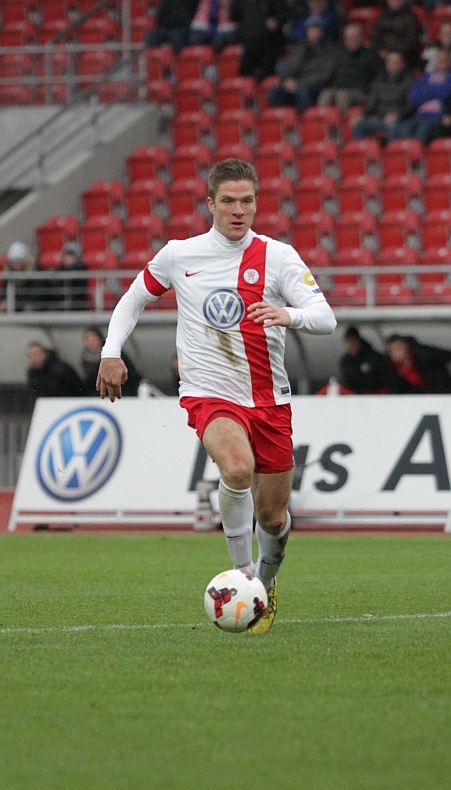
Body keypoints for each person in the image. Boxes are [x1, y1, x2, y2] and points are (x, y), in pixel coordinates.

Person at [97, 158, 336, 635]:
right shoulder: (179, 255)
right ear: (210, 203)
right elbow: (133, 299)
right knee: (237, 468)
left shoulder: (278, 257)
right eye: (228, 201)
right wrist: (110, 351)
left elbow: (325, 317)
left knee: (273, 518)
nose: (238, 210)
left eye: (246, 200)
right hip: (209, 393)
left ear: (256, 203)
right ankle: (243, 577)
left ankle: (265, 584)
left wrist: (288, 315)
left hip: (269, 401)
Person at [267, 16, 336, 113]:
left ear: (321, 31)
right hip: (295, 85)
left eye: (315, 29)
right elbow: (288, 66)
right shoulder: (300, 47)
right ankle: (280, 119)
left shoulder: (329, 50)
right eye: (310, 29)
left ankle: (305, 119)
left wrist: (299, 84)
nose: (312, 32)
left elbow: (325, 74)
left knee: (303, 91)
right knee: (274, 93)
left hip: (316, 87)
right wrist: (286, 80)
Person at [351, 51, 414, 144]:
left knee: (393, 126)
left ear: (402, 65)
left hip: (400, 120)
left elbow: (410, 106)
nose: (392, 65)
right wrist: (362, 115)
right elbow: (371, 104)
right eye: (390, 62)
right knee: (358, 125)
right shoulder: (378, 81)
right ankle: (362, 150)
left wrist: (397, 115)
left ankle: (392, 151)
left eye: (396, 63)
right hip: (381, 118)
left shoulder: (409, 82)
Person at [318, 23, 382, 113]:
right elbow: (330, 75)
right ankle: (322, 118)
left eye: (354, 38)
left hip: (361, 91)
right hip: (339, 87)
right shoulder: (339, 55)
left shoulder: (371, 56)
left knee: (342, 95)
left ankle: (342, 120)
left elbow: (377, 78)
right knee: (326, 93)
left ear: (361, 38)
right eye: (348, 39)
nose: (351, 41)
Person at [394, 49, 451, 145]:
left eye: (444, 59)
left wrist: (428, 90)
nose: (441, 61)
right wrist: (436, 91)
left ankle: (416, 153)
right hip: (420, 115)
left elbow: (446, 93)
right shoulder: (426, 77)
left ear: (449, 62)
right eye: (439, 59)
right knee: (404, 127)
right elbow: (415, 96)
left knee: (423, 129)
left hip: (438, 116)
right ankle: (404, 152)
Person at [229, 0, 287, 82]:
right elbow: (234, 16)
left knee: (265, 76)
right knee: (244, 74)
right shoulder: (243, 2)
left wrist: (276, 21)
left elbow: (284, 13)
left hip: (269, 42)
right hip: (250, 43)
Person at [81, 326, 142, 397]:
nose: (91, 342)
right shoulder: (85, 358)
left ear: (99, 339)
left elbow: (132, 375)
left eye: (93, 339)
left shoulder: (114, 354)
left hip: (122, 393)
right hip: (101, 396)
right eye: (87, 339)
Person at [385, 335, 451, 394]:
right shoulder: (391, 365)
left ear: (406, 346)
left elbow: (446, 355)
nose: (395, 353)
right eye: (391, 351)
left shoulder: (423, 354)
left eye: (398, 349)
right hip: (419, 395)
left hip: (441, 391)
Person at [372, 0, 421, 70]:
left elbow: (411, 41)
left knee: (394, 60)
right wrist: (380, 49)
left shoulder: (410, 17)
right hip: (383, 52)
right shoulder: (383, 16)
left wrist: (391, 52)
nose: (394, 2)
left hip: (404, 54)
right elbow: (376, 36)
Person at [338, 326, 389, 394]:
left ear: (359, 341)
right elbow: (347, 380)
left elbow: (383, 378)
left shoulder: (374, 357)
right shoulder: (345, 361)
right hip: (355, 395)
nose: (352, 345)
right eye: (349, 342)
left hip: (377, 394)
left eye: (354, 341)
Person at [0, 242, 44, 313]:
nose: (16, 264)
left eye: (19, 261)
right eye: (14, 261)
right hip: (17, 304)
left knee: (28, 309)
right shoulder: (9, 275)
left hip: (32, 305)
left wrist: (13, 303)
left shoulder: (34, 273)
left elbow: (35, 296)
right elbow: (3, 293)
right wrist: (4, 302)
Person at [48, 241, 89, 311]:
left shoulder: (82, 269)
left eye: (70, 255)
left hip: (76, 305)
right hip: (60, 303)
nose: (67, 257)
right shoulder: (59, 270)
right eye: (66, 254)